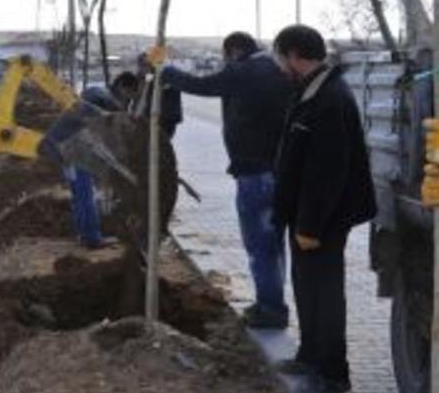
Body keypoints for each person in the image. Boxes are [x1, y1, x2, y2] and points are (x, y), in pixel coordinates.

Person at [159, 32, 293, 329]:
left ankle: (270, 310)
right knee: (274, 243)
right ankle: (274, 303)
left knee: (260, 245)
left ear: (233, 51)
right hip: (281, 172)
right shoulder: (277, 69)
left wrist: (165, 71)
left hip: (255, 174)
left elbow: (201, 85)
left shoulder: (242, 70)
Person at [271, 25, 376, 393]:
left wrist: (310, 225)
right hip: (305, 215)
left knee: (326, 294)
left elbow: (328, 170)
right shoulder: (311, 91)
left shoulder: (330, 98)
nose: (279, 64)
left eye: (280, 56)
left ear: (295, 55)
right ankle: (310, 356)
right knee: (306, 287)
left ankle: (333, 373)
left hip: (322, 219)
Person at [63, 72, 141, 248]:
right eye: (130, 95)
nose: (129, 100)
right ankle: (91, 239)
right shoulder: (110, 104)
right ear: (123, 87)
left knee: (79, 194)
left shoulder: (96, 91)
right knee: (85, 194)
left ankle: (83, 235)